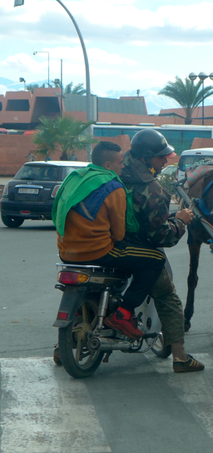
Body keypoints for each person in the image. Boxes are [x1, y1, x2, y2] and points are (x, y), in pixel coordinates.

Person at [53, 141, 166, 341]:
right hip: (98, 252)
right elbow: (119, 234)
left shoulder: (73, 179)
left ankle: (66, 344)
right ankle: (123, 313)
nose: (123, 166)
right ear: (107, 165)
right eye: (120, 163)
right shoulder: (114, 187)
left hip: (66, 253)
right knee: (155, 259)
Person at [119, 129, 204, 373]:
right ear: (146, 157)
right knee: (168, 297)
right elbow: (161, 236)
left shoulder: (115, 170)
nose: (165, 161)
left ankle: (63, 348)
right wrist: (181, 221)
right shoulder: (152, 189)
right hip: (137, 251)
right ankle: (180, 357)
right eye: (160, 157)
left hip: (104, 247)